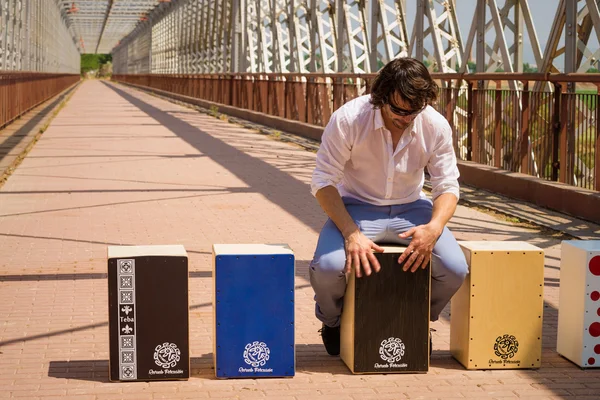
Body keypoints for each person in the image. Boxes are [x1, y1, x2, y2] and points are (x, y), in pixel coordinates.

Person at [309, 57, 468, 356]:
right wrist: (351, 234)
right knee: (328, 268)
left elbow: (447, 185)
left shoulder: (434, 125)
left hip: (411, 208)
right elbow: (322, 183)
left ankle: (421, 320)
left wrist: (434, 227)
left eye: (414, 111)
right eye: (398, 110)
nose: (406, 118)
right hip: (357, 206)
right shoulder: (349, 119)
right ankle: (331, 321)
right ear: (380, 97)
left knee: (455, 269)